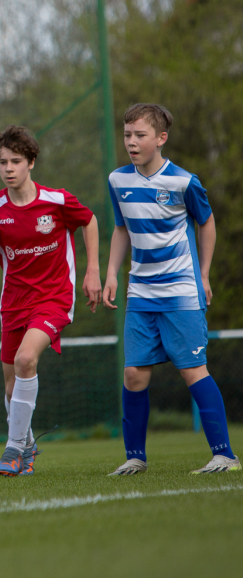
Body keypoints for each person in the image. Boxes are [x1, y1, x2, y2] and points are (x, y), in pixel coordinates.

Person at [0, 126, 101, 476]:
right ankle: (26, 450)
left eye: (15, 161)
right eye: (2, 162)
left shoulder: (57, 201)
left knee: (26, 358)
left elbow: (89, 220)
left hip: (55, 297)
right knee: (12, 386)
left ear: (31, 162)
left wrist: (93, 271)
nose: (8, 168)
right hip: (13, 302)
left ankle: (13, 449)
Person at [103, 103, 237, 475]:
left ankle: (225, 455)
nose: (131, 142)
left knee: (192, 370)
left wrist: (204, 275)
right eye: (127, 135)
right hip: (140, 292)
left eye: (140, 135)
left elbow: (206, 224)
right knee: (134, 374)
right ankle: (135, 458)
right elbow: (121, 228)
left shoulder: (183, 182)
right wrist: (112, 273)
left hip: (180, 290)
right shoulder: (118, 180)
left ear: (161, 138)